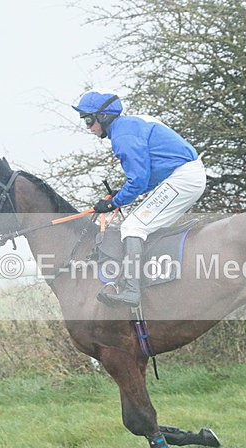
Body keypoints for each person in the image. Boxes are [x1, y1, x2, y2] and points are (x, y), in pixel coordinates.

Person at [73, 91, 207, 307]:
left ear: (103, 117)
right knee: (138, 222)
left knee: (133, 227)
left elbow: (138, 181)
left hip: (184, 178)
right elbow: (147, 177)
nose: (88, 127)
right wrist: (120, 194)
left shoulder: (122, 137)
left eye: (89, 121)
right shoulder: (129, 125)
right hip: (183, 175)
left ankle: (131, 292)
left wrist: (112, 203)